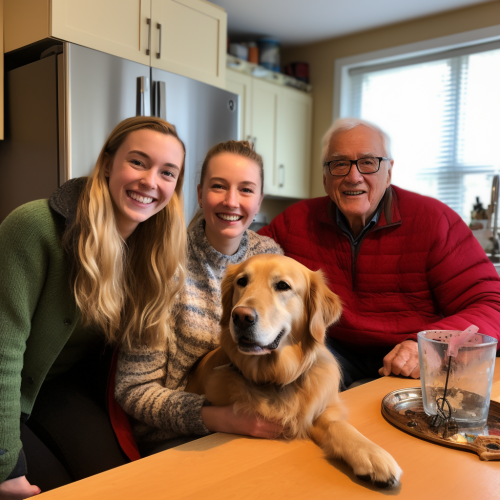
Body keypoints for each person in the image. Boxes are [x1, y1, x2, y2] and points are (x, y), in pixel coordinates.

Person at [0, 116, 187, 499]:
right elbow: (1, 353)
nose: (151, 181)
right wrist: (5, 466)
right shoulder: (34, 227)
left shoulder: (151, 254)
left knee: (119, 487)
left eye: (167, 172)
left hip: (56, 390)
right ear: (106, 164)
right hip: (8, 390)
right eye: (138, 162)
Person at [259, 118, 500, 389]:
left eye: (368, 162)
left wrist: (426, 345)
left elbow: (491, 304)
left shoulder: (434, 221)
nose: (353, 176)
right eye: (339, 163)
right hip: (331, 350)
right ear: (325, 178)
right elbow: (242, 258)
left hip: (410, 357)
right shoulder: (294, 222)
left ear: (389, 172)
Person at [115, 140, 284, 456]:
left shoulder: (270, 257)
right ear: (199, 194)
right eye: (219, 186)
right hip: (177, 437)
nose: (231, 201)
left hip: (256, 415)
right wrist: (221, 418)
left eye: (246, 190)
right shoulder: (162, 264)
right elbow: (134, 390)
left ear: (259, 200)